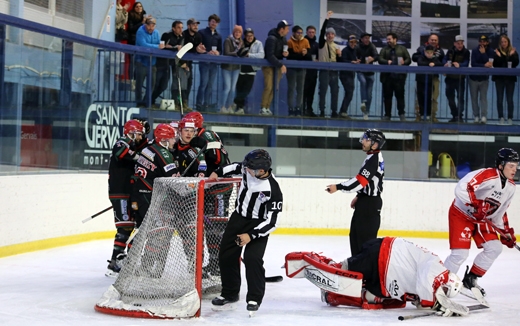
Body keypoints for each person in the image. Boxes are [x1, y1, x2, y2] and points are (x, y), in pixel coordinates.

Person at [295, 237, 465, 317]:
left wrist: (425, 303)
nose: (440, 293)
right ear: (447, 283)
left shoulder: (436, 276)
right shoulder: (437, 269)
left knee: (371, 299)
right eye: (443, 292)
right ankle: (316, 261)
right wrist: (432, 304)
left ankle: (332, 295)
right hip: (383, 255)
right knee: (345, 268)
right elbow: (427, 280)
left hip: (387, 276)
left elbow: (419, 291)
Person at [209, 149, 283, 314]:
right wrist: (217, 172)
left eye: (249, 168)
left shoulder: (273, 189)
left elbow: (272, 222)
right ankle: (230, 293)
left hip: (258, 228)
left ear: (261, 171)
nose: (245, 169)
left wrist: (251, 236)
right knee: (227, 254)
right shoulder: (247, 168)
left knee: (252, 258)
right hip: (238, 221)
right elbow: (233, 167)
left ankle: (254, 297)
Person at [444, 148, 518, 297]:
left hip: (481, 220)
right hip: (462, 214)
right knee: (460, 254)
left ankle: (470, 279)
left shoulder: (511, 187)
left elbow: (500, 212)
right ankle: (439, 283)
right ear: (500, 165)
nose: (514, 169)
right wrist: (476, 203)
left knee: (495, 247)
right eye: (511, 165)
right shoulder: (487, 175)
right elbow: (462, 187)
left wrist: (505, 232)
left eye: (516, 166)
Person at [325, 129, 385, 256]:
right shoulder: (372, 157)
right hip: (366, 202)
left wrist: (339, 187)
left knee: (364, 242)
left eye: (367, 139)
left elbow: (360, 181)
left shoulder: (373, 160)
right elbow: (367, 182)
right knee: (356, 238)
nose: (363, 141)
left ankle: (365, 272)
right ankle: (359, 269)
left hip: (369, 205)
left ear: (375, 144)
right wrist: (360, 196)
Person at [106, 119, 148, 277]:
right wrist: (139, 157)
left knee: (130, 226)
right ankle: (115, 261)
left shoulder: (135, 145)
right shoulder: (122, 141)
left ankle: (118, 260)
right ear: (132, 132)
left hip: (128, 192)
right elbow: (120, 152)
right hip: (120, 192)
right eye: (139, 133)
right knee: (124, 227)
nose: (140, 136)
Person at [130, 123, 179, 229]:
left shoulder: (148, 149)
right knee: (156, 231)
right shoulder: (163, 153)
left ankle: (133, 246)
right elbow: (174, 177)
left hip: (137, 193)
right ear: (164, 139)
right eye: (172, 138)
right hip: (148, 195)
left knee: (141, 230)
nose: (174, 141)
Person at [412, 34, 445, 122]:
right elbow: (415, 58)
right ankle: (420, 115)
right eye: (432, 40)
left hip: (433, 78)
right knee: (420, 96)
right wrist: (428, 63)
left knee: (432, 97)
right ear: (428, 40)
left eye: (435, 40)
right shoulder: (421, 49)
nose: (433, 41)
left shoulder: (440, 51)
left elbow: (442, 63)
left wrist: (435, 64)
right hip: (420, 78)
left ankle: (431, 115)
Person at [378, 32, 411, 121]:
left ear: (395, 39)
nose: (388, 41)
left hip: (399, 78)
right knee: (387, 97)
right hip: (387, 77)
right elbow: (380, 59)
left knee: (400, 97)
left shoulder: (402, 49)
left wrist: (405, 62)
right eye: (387, 39)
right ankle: (387, 115)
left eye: (389, 39)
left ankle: (401, 114)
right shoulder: (384, 49)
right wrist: (386, 62)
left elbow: (409, 59)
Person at [260, 20, 290, 115]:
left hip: (277, 66)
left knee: (274, 87)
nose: (288, 31)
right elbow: (270, 55)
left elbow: (282, 53)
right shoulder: (271, 39)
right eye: (286, 29)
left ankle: (268, 107)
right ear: (281, 29)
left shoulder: (283, 39)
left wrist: (285, 54)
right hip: (269, 66)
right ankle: (263, 107)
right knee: (268, 86)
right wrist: (280, 64)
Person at [135, 16, 165, 107]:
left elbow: (159, 43)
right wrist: (157, 47)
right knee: (139, 84)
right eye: (149, 25)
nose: (151, 28)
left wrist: (158, 46)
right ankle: (139, 103)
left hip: (152, 61)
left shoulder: (156, 32)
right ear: (145, 24)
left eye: (153, 25)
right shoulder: (140, 31)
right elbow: (144, 45)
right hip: (141, 61)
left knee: (152, 84)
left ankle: (147, 102)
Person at [233, 28, 265, 114]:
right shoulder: (241, 43)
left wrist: (249, 55)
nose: (249, 37)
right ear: (245, 36)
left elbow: (261, 55)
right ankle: (240, 108)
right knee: (239, 90)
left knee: (246, 91)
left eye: (251, 36)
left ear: (253, 36)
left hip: (252, 70)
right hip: (240, 70)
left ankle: (236, 101)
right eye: (247, 36)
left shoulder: (258, 44)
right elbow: (237, 53)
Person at [150, 21, 181, 109]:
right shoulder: (166, 35)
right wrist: (174, 47)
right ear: (173, 28)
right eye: (178, 27)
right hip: (160, 63)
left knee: (164, 86)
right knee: (156, 84)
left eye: (181, 27)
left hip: (169, 64)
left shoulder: (181, 37)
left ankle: (152, 99)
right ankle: (148, 101)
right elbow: (164, 46)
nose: (180, 29)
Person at [197, 14, 222, 111]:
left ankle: (206, 104)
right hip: (204, 62)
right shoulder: (202, 32)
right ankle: (199, 104)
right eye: (212, 21)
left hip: (214, 64)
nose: (214, 23)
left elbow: (221, 50)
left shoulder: (218, 36)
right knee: (203, 84)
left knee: (210, 85)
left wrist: (217, 52)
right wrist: (207, 52)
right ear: (209, 22)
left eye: (216, 22)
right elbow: (199, 46)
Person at [318, 11, 341, 118]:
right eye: (328, 34)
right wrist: (327, 18)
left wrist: (339, 56)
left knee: (335, 92)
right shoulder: (322, 44)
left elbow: (340, 61)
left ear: (334, 35)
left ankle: (334, 111)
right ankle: (322, 110)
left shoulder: (337, 46)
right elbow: (322, 31)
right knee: (322, 91)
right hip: (324, 70)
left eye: (332, 34)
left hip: (334, 71)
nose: (330, 35)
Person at [492, 34, 519, 125]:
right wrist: (499, 56)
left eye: (505, 42)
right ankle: (501, 117)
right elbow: (496, 64)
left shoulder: (513, 51)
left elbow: (515, 63)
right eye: (502, 42)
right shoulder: (497, 52)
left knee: (509, 99)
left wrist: (510, 56)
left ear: (508, 42)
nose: (503, 43)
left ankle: (510, 117)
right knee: (500, 99)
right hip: (499, 79)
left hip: (510, 79)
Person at [443, 35, 470, 123]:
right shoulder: (450, 51)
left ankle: (459, 116)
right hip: (449, 78)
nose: (460, 45)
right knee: (450, 97)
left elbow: (466, 63)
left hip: (460, 79)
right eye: (458, 43)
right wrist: (446, 64)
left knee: (460, 98)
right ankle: (454, 115)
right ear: (454, 44)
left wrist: (459, 65)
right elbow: (444, 59)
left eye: (461, 43)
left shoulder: (466, 52)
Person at [469, 35, 494, 124]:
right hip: (473, 78)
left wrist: (483, 54)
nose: (482, 43)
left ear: (487, 42)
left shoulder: (491, 51)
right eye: (481, 41)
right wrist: (483, 65)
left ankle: (483, 116)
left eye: (484, 41)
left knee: (483, 98)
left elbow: (490, 64)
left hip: (484, 79)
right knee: (474, 98)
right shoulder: (475, 50)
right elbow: (473, 64)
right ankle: (476, 116)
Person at [286, 25, 311, 117]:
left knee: (300, 89)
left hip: (302, 68)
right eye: (298, 33)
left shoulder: (305, 41)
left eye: (301, 33)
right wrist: (301, 54)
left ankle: (298, 108)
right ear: (294, 33)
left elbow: (309, 57)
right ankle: (291, 108)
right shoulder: (289, 42)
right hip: (292, 68)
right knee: (291, 88)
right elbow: (290, 56)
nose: (300, 34)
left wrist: (306, 53)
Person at [220, 25, 244, 114]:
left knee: (233, 88)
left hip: (236, 67)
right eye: (236, 32)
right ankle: (222, 106)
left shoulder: (241, 42)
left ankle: (230, 106)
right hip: (227, 67)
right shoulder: (228, 40)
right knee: (227, 87)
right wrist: (236, 53)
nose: (237, 34)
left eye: (239, 32)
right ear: (233, 32)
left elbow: (242, 52)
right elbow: (226, 52)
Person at [182, 18, 206, 107]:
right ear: (188, 26)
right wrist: (195, 49)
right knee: (181, 83)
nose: (196, 26)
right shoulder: (183, 35)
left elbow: (199, 47)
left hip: (190, 63)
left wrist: (202, 49)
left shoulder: (198, 36)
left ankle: (185, 103)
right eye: (193, 24)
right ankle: (180, 103)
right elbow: (183, 48)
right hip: (181, 61)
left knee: (189, 82)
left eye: (197, 24)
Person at [356, 32, 378, 120]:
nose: (367, 40)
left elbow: (376, 55)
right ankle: (363, 101)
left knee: (369, 93)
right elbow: (354, 56)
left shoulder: (372, 46)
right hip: (361, 71)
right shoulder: (358, 47)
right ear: (361, 39)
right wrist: (356, 60)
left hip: (370, 72)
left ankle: (366, 112)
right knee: (363, 82)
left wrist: (372, 58)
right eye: (365, 38)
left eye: (368, 38)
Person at [338, 35, 359, 120]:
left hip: (351, 74)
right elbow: (343, 60)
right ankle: (343, 111)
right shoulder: (345, 50)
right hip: (344, 74)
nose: (353, 44)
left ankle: (343, 111)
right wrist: (351, 62)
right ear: (348, 42)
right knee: (349, 92)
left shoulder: (356, 50)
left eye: (354, 42)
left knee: (350, 92)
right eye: (351, 42)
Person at [302, 25, 319, 117]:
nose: (311, 34)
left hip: (313, 71)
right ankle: (302, 109)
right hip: (304, 70)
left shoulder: (316, 45)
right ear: (306, 32)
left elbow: (319, 57)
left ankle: (309, 109)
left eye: (313, 32)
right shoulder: (303, 42)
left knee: (311, 91)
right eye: (309, 32)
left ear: (315, 33)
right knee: (303, 90)